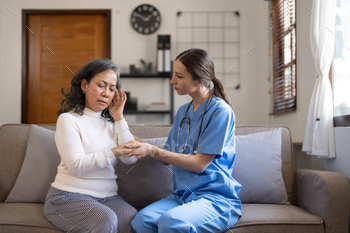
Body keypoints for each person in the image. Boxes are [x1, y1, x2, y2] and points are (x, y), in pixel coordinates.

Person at [124, 48, 242, 233]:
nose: (173, 81)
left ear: (199, 79)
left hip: (215, 198)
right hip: (182, 195)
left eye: (179, 76)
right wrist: (124, 132)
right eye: (173, 74)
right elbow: (166, 157)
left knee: (172, 222)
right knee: (142, 221)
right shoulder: (183, 112)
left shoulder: (221, 112)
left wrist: (151, 150)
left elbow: (200, 164)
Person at [44, 58, 138, 233]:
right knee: (105, 219)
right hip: (67, 196)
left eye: (112, 88)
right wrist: (115, 150)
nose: (106, 93)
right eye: (101, 85)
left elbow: (130, 158)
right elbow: (76, 166)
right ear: (84, 85)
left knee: (131, 219)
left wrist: (119, 118)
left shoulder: (114, 124)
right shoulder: (68, 120)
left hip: (109, 197)